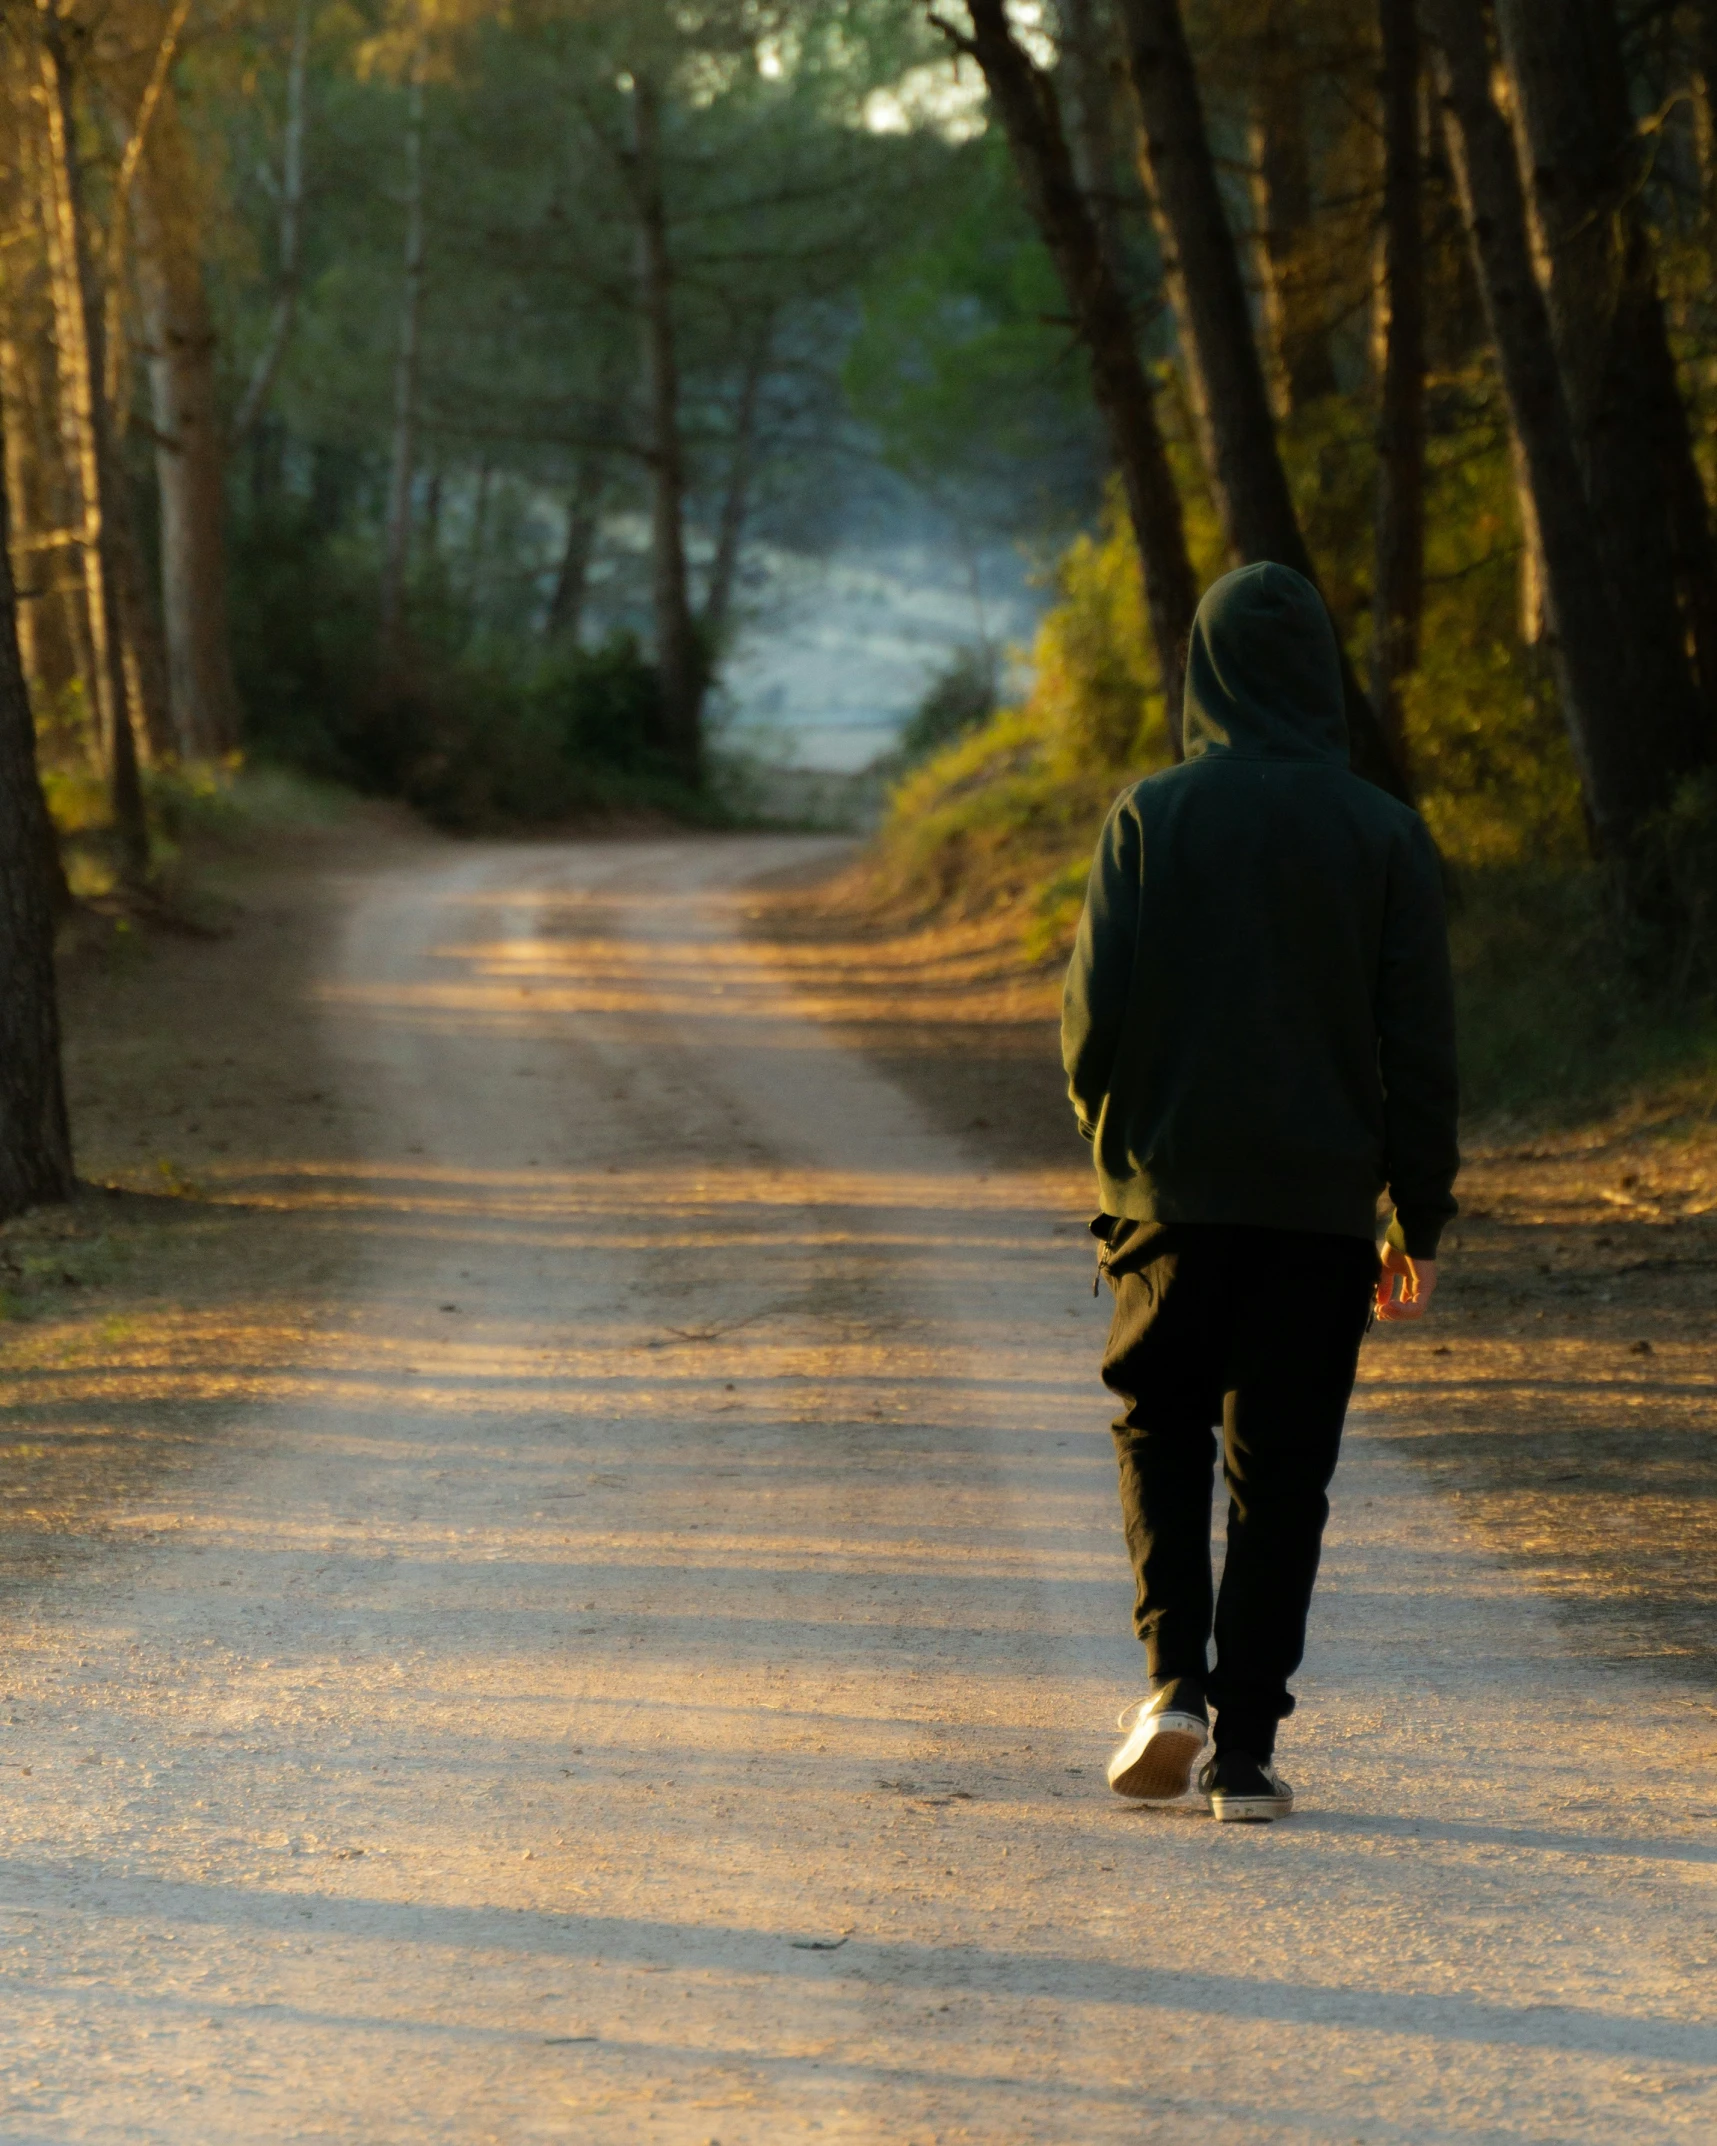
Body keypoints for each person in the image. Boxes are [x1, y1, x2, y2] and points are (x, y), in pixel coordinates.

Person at [1062, 561, 1458, 1823]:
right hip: (1320, 1215)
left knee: (1158, 1426)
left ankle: (1172, 1682)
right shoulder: (1383, 831)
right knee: (1282, 1475)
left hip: (1166, 1197)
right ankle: (1243, 1755)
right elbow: (1420, 1042)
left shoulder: (1149, 816)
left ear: (1205, 669)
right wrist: (1417, 1211)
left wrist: (1112, 1142)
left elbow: (1091, 1021)